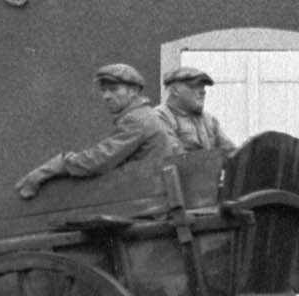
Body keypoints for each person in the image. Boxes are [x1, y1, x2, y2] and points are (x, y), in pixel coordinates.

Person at [15, 63, 180, 199]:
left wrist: (54, 166)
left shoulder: (137, 120)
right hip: (147, 196)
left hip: (147, 203)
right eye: (103, 90)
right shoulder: (145, 115)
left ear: (134, 91)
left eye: (114, 89)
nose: (106, 96)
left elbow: (97, 160)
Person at [155, 66, 235, 157]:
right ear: (175, 90)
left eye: (203, 87)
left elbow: (230, 153)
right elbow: (178, 157)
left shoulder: (209, 120)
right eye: (194, 86)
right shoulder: (160, 117)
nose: (203, 92)